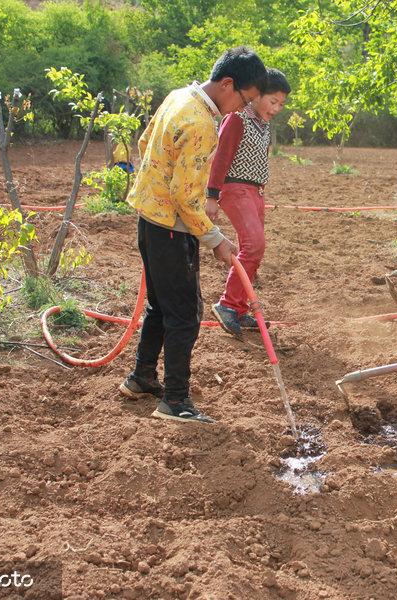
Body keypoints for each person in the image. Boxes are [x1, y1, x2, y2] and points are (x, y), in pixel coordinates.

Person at [118, 46, 267, 424]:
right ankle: (175, 400)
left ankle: (142, 378)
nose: (239, 110)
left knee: (159, 304)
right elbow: (186, 200)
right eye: (243, 100)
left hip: (149, 218)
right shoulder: (202, 123)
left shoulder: (178, 96)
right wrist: (216, 239)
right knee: (185, 314)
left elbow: (144, 142)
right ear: (227, 83)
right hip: (171, 228)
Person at [206, 68, 291, 338]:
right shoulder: (237, 118)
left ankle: (240, 308)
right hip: (234, 187)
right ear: (256, 96)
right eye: (273, 101)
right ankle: (227, 305)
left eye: (281, 104)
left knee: (252, 249)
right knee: (255, 244)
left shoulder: (263, 125)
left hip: (255, 191)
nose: (277, 108)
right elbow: (220, 157)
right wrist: (211, 195)